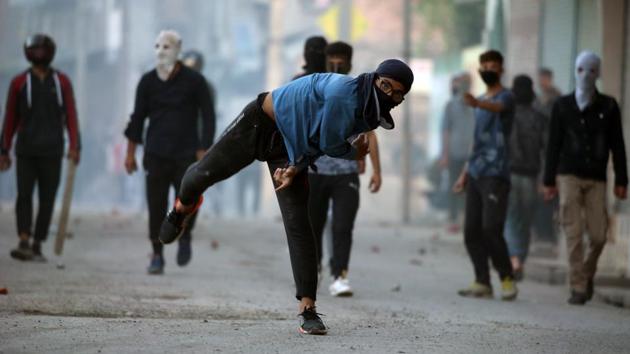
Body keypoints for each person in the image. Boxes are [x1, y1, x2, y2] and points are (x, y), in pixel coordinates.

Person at [157, 59, 414, 335]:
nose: (388, 94)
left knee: (298, 223)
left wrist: (296, 167)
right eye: (384, 85)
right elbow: (328, 143)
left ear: (400, 98)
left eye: (396, 93)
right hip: (260, 124)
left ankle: (308, 309)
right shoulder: (345, 94)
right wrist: (353, 154)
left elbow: (316, 139)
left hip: (291, 150)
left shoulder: (370, 112)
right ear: (375, 78)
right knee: (201, 176)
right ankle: (182, 208)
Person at [123, 30, 215, 274]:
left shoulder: (195, 81)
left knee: (189, 199)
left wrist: (204, 149)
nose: (161, 51)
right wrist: (130, 153)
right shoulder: (147, 82)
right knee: (155, 205)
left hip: (187, 153)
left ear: (178, 49)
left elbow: (208, 116)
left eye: (167, 46)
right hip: (155, 153)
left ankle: (185, 236)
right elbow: (137, 118)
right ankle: (157, 253)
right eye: (157, 46)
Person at [543, 51, 627, 305]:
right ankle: (578, 286)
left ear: (598, 73)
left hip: (597, 178)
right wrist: (548, 181)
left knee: (599, 235)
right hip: (567, 175)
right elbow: (553, 144)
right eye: (581, 69)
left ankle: (586, 273)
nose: (586, 75)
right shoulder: (562, 105)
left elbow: (618, 144)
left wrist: (622, 179)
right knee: (573, 232)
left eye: (592, 70)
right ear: (575, 70)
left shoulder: (609, 106)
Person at [307, 41, 383, 297]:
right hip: (315, 170)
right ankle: (313, 269)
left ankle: (340, 275)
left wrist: (377, 170)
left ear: (350, 62)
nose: (337, 64)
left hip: (346, 171)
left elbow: (370, 133)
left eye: (342, 60)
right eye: (333, 60)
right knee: (314, 225)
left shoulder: (358, 91)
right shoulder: (316, 88)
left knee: (343, 226)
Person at [1, 34, 81, 262]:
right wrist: (4, 150)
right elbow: (10, 118)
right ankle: (24, 239)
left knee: (47, 198)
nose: (39, 54)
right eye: (34, 50)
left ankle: (38, 242)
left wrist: (75, 145)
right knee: (24, 195)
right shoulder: (19, 83)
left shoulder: (61, 82)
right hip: (26, 150)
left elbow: (71, 115)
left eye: (42, 50)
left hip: (53, 150)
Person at [452, 50, 517, 301]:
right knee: (471, 231)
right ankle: (482, 281)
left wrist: (478, 104)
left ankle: (507, 278)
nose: (488, 68)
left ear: (501, 69)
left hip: (497, 173)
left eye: (493, 64)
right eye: (485, 64)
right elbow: (475, 142)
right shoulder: (478, 101)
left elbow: (498, 107)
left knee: (492, 228)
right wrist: (464, 173)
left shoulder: (506, 97)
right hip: (477, 172)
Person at [503, 75, 547, 280]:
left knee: (511, 219)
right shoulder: (539, 118)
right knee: (525, 222)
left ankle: (514, 259)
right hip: (531, 177)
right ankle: (520, 257)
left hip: (509, 174)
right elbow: (546, 151)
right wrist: (546, 180)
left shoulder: (507, 115)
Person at [440, 72, 475, 233]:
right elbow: (445, 131)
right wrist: (445, 154)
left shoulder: (476, 104)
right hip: (454, 152)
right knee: (454, 185)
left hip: (472, 155)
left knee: (470, 189)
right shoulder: (450, 105)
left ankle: (466, 219)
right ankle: (453, 218)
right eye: (463, 82)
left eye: (468, 82)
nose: (465, 85)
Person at [532, 67, 562, 252]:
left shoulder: (557, 100)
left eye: (544, 78)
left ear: (549, 79)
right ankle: (541, 234)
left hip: (553, 153)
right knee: (539, 195)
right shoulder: (537, 100)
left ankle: (550, 235)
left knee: (551, 194)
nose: (542, 81)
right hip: (538, 154)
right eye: (540, 78)